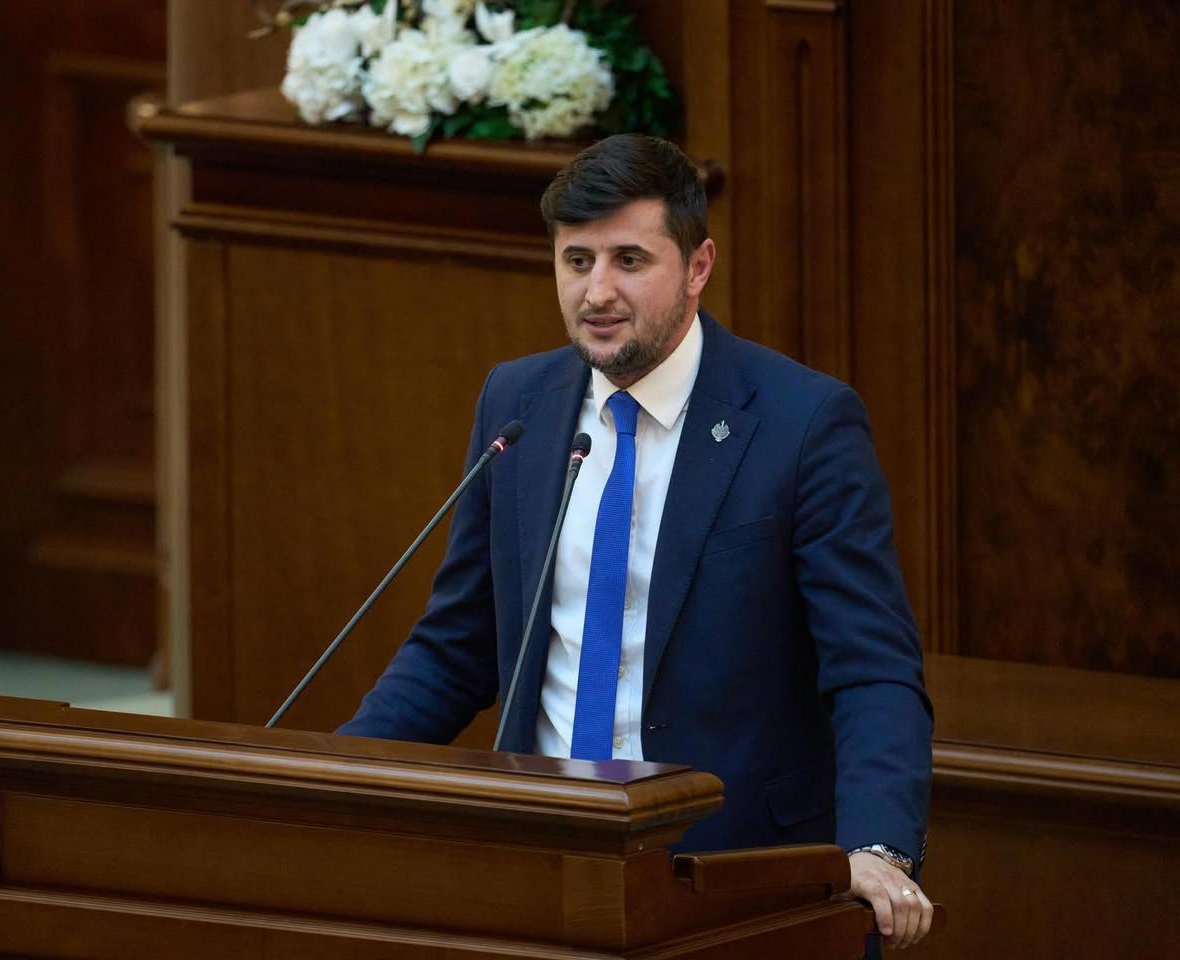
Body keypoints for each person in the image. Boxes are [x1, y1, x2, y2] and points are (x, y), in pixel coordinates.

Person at [337, 134, 935, 951]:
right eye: (576, 260)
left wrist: (875, 848)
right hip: (544, 860)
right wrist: (334, 780)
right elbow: (457, 646)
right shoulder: (517, 404)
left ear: (697, 266)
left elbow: (870, 668)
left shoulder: (801, 423)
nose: (597, 292)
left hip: (731, 875)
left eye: (628, 260)